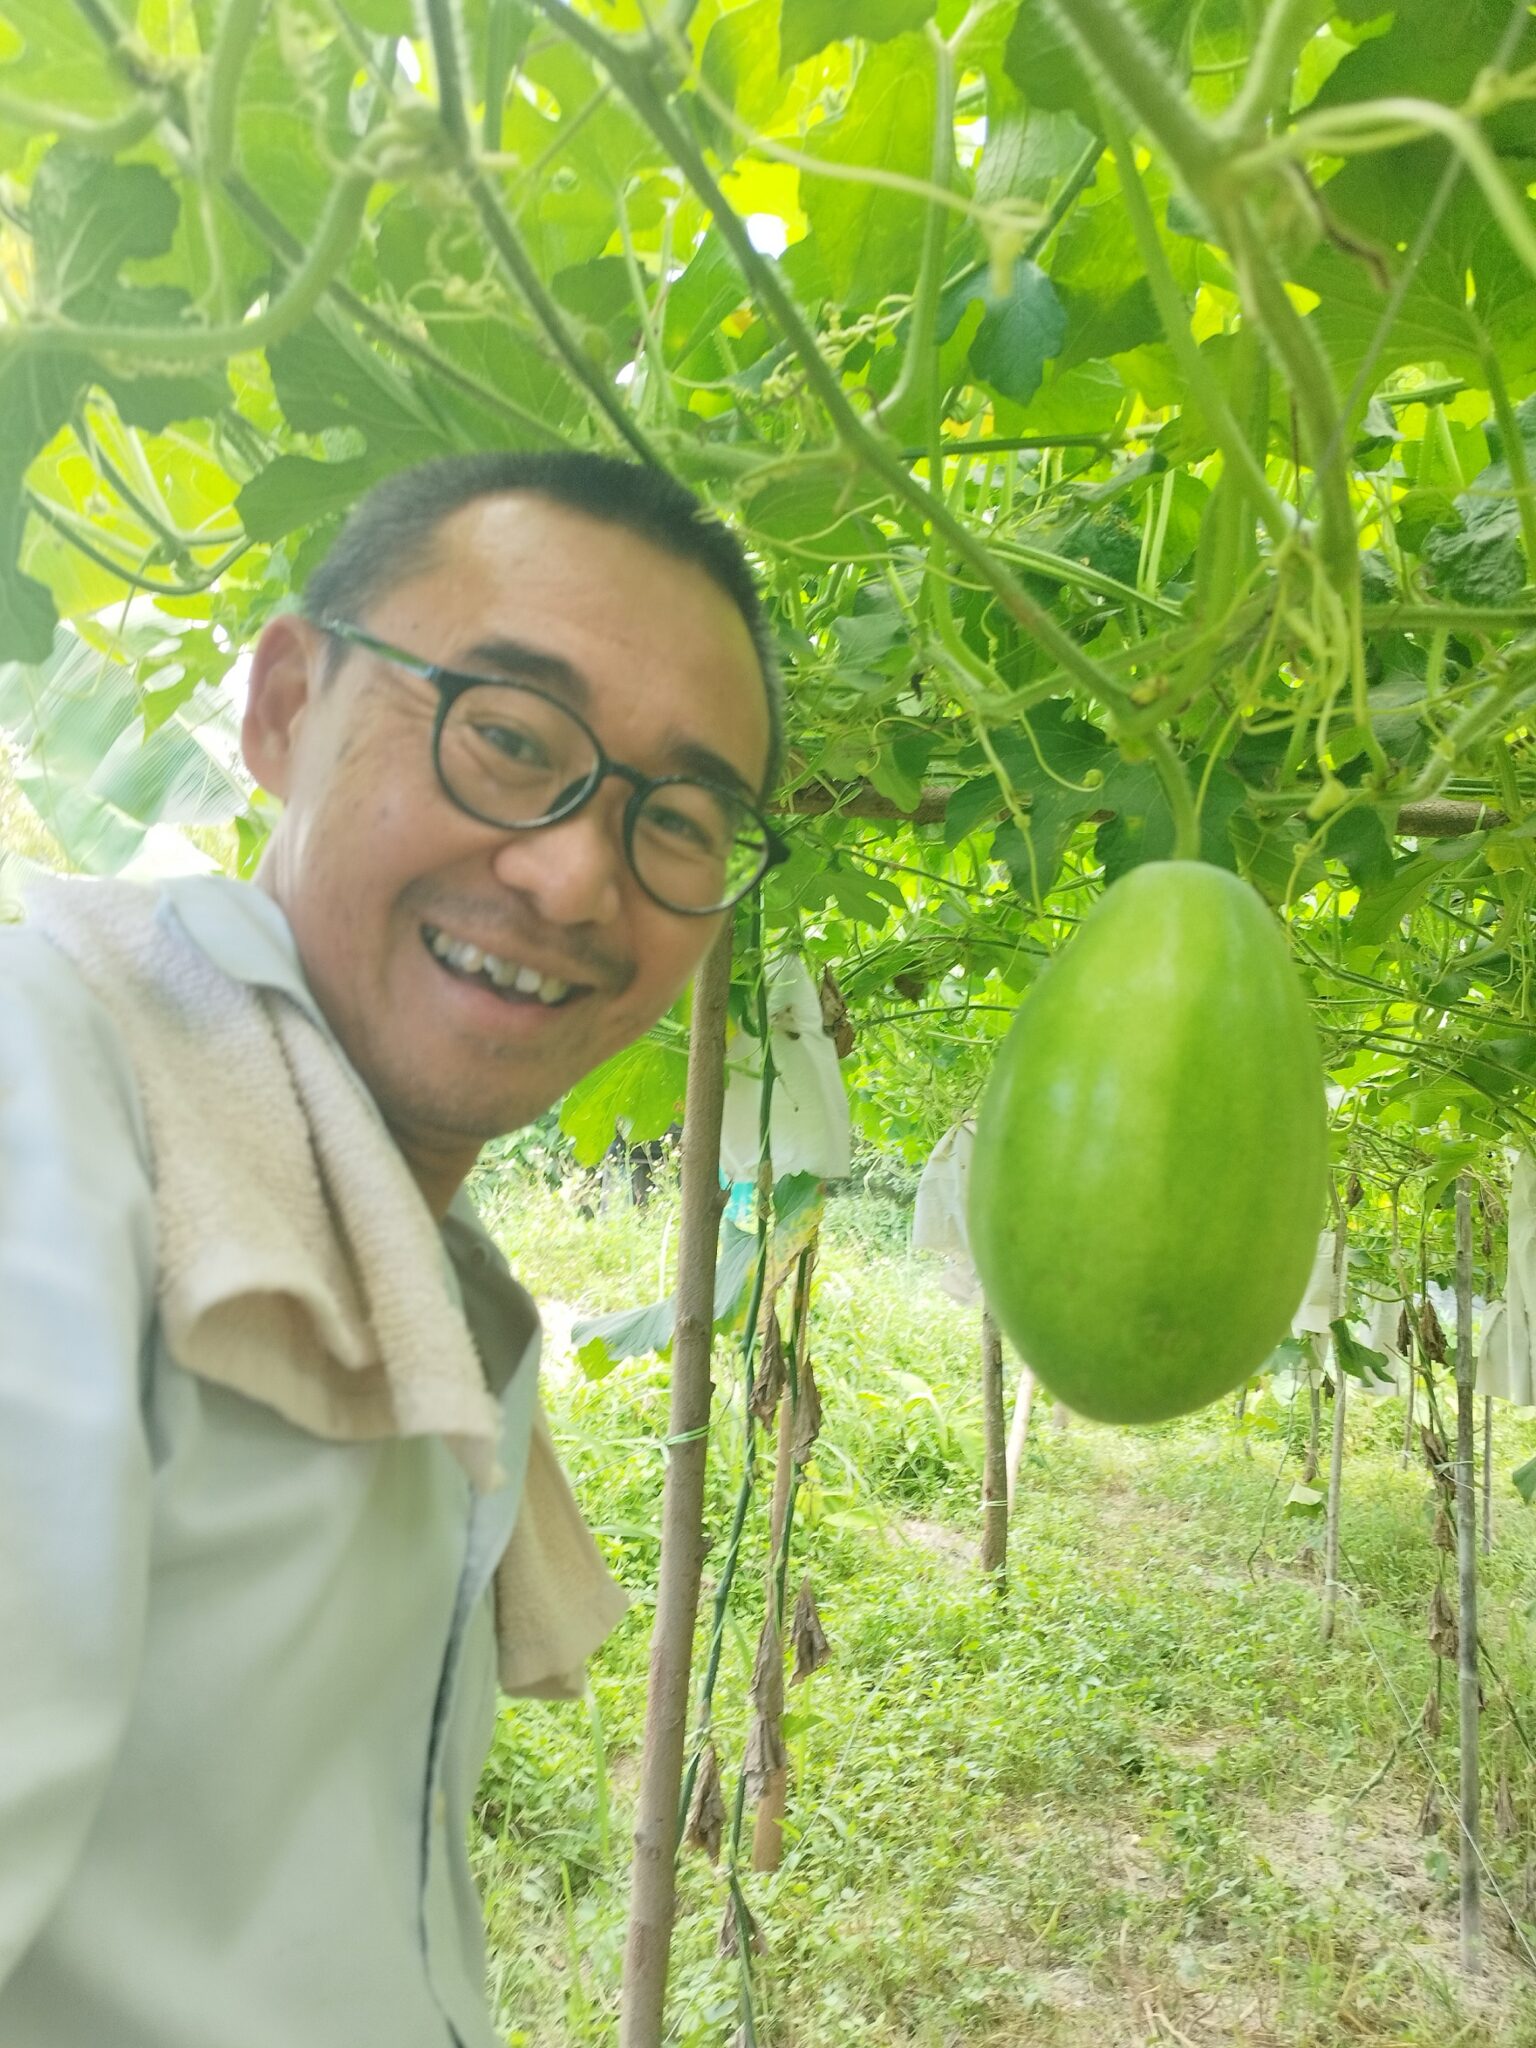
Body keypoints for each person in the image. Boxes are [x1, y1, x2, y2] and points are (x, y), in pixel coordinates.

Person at [0, 451, 785, 2048]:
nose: (575, 873)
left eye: (682, 819)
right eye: (507, 738)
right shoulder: (49, 1098)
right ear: (284, 705)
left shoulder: (404, 1244)